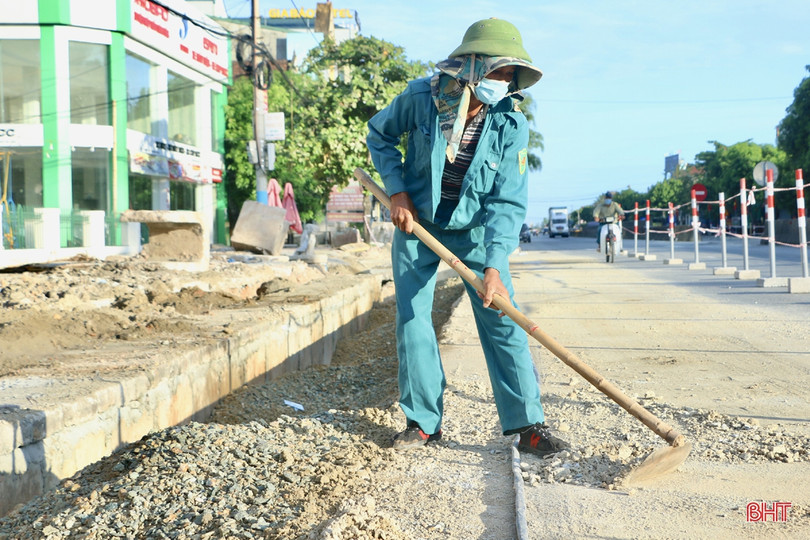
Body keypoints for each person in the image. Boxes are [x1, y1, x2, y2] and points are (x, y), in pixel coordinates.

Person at [366, 18, 569, 456]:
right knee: (413, 320)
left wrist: (495, 265)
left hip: (475, 232)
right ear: (471, 65)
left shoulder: (510, 124)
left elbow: (508, 201)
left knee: (502, 318)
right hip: (417, 225)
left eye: (508, 76)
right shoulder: (422, 99)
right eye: (496, 73)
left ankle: (527, 425)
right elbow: (380, 133)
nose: (503, 83)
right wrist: (397, 193)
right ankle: (422, 424)